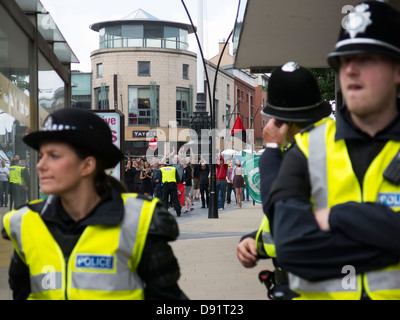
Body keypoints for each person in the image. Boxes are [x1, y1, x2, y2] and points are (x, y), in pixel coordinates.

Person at [266, 1, 400, 300]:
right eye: (344, 60)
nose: (350, 69)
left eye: (365, 58)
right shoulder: (309, 145)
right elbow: (289, 247)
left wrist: (339, 217)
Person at [2, 108, 187, 300]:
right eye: (41, 156)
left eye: (54, 155)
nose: (40, 165)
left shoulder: (138, 222)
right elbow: (21, 293)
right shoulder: (25, 223)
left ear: (87, 165)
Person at [236, 61, 332, 300]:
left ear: (280, 121)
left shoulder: (308, 151)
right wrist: (255, 242)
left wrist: (270, 150)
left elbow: (279, 212)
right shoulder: (319, 141)